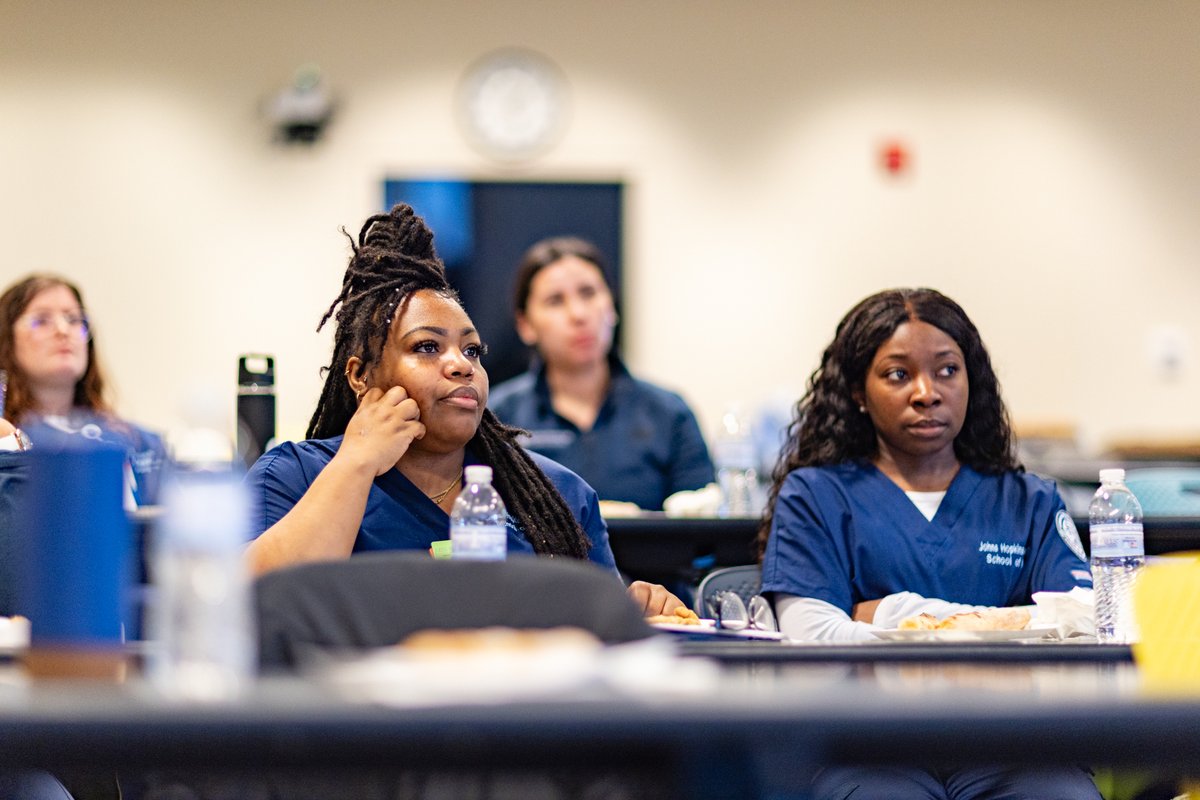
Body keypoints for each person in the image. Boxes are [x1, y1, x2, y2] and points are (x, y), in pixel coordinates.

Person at [244, 205, 682, 616]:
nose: (461, 365)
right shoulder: (294, 475)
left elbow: (599, 642)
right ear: (360, 375)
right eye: (427, 347)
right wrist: (358, 462)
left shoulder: (558, 495)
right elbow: (262, 605)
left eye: (472, 350)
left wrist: (636, 609)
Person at [758, 288, 1099, 800]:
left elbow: (1080, 626)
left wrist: (882, 614)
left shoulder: (1029, 500)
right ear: (857, 390)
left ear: (970, 381)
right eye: (898, 374)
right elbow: (814, 647)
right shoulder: (816, 494)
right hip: (869, 749)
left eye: (946, 371)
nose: (927, 392)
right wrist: (999, 633)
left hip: (1010, 745)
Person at [488, 236, 713, 511]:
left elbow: (702, 527)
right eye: (555, 300)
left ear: (612, 307)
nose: (579, 314)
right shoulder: (496, 416)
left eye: (588, 293)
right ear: (526, 325)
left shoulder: (670, 413)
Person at [0, 274, 167, 504]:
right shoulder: (5, 443)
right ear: (6, 340)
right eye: (41, 320)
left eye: (73, 319)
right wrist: (10, 448)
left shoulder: (141, 444)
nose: (63, 330)